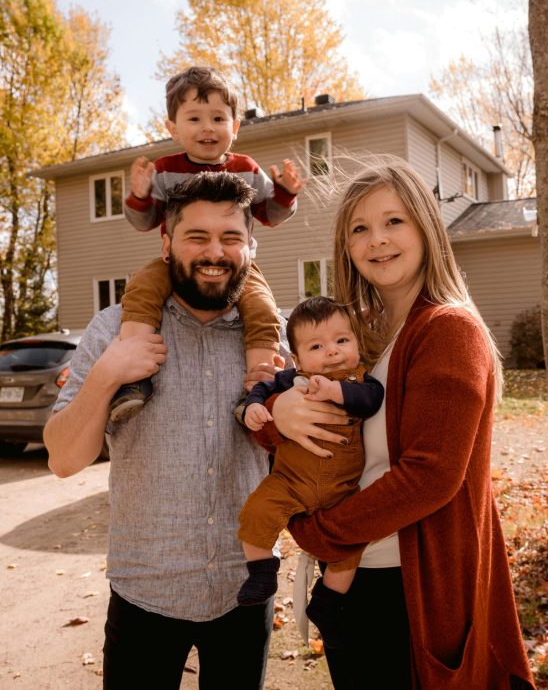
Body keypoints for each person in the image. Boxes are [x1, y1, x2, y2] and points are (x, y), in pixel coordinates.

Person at [255, 158, 536, 689]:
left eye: (394, 222)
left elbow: (429, 475)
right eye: (360, 228)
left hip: (407, 588)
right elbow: (290, 414)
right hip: (359, 580)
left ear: (426, 228)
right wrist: (278, 412)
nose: (377, 240)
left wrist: (317, 534)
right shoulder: (356, 337)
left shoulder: (448, 330)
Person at [43, 171, 300, 689]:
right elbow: (63, 460)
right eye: (197, 237)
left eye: (230, 238)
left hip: (244, 588)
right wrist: (108, 373)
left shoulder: (272, 346)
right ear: (166, 243)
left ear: (250, 246)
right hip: (145, 590)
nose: (215, 252)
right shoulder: (114, 328)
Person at [111, 65, 305, 422]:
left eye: (218, 118)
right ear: (173, 128)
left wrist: (286, 193)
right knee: (141, 290)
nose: (207, 128)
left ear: (235, 126)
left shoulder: (246, 168)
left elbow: (269, 215)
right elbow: (145, 222)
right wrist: (140, 196)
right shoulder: (166, 170)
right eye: (194, 118)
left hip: (239, 269)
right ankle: (132, 379)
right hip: (176, 265)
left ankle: (259, 389)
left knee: (263, 309)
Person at [237, 296, 383, 648]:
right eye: (317, 346)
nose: (332, 352)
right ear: (298, 359)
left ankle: (328, 601)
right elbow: (261, 387)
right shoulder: (291, 380)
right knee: (256, 511)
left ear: (357, 344)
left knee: (350, 547)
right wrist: (253, 407)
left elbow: (371, 400)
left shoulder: (362, 380)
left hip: (342, 490)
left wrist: (336, 389)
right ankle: (261, 572)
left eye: (342, 341)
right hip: (290, 482)